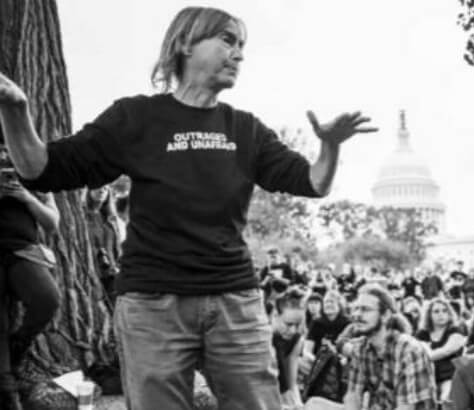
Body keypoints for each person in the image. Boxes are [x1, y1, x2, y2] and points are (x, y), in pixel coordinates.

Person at [0, 7, 377, 409]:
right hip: (152, 305)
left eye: (242, 45)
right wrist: (16, 109)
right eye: (228, 40)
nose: (239, 54)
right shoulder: (135, 118)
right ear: (184, 43)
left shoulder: (245, 129)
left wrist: (330, 147)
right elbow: (42, 169)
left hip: (235, 304)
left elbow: (312, 182)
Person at [0, 143, 60, 410]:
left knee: (47, 300)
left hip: (23, 250)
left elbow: (52, 223)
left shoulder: (34, 163)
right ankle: (7, 390)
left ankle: (18, 346)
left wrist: (25, 197)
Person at [342, 283, 437, 410]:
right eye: (356, 308)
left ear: (385, 315)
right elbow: (353, 395)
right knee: (314, 404)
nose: (357, 315)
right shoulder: (360, 348)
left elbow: (406, 407)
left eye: (365, 310)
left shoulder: (409, 350)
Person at [415, 298, 467, 401]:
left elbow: (445, 351)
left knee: (445, 398)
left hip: (450, 377)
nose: (441, 314)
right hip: (427, 378)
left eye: (444, 310)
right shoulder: (422, 333)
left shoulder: (455, 331)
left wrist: (428, 352)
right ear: (429, 315)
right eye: (436, 311)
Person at [272, 288, 307, 409]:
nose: (293, 330)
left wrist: (298, 404)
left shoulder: (296, 339)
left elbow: (291, 382)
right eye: (288, 324)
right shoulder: (263, 338)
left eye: (297, 325)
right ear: (275, 316)